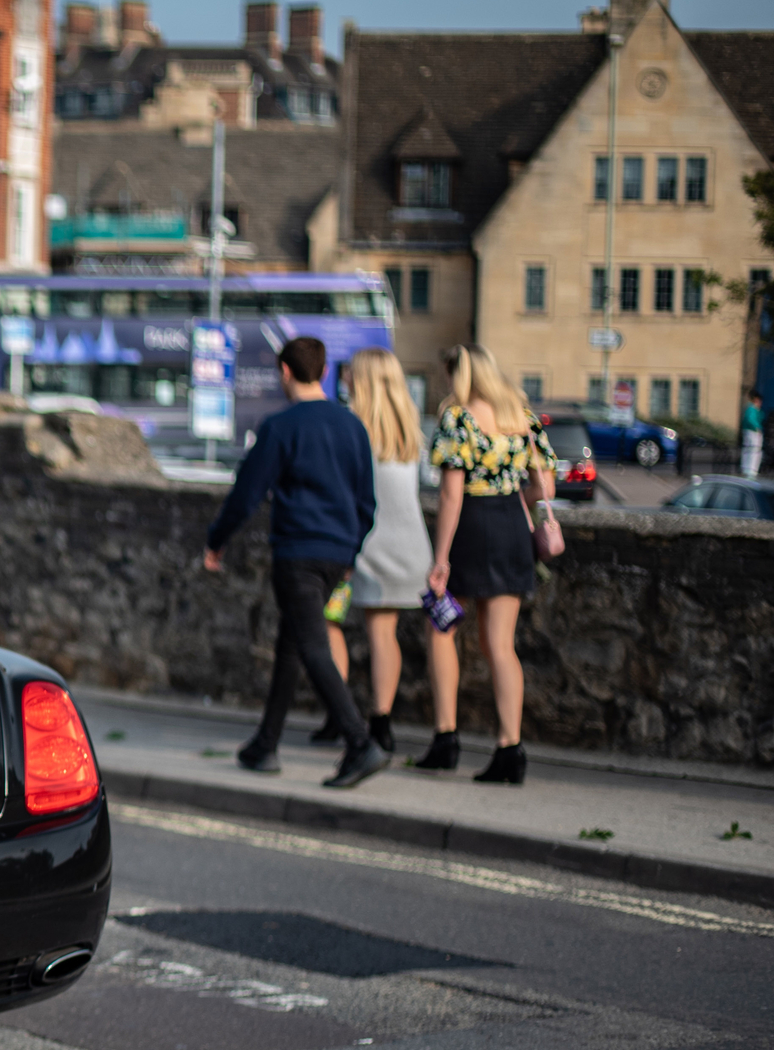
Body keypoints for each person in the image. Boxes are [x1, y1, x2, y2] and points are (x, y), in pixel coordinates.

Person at [203, 335, 388, 789]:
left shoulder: (281, 427)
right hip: (337, 553)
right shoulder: (353, 427)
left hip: (298, 551)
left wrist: (216, 541)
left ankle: (360, 742)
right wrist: (352, 550)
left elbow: (247, 492)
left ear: (285, 372)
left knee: (310, 646)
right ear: (323, 372)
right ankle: (265, 744)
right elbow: (367, 501)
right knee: (291, 643)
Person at [418, 346, 556, 784]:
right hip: (513, 527)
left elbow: (450, 495)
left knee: (441, 626)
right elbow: (544, 483)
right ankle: (510, 747)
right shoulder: (522, 417)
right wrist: (513, 497)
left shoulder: (459, 418)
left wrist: (440, 559)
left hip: (471, 529)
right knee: (501, 644)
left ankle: (446, 737)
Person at [313, 350, 432, 757]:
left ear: (360, 380)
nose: (344, 378)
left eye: (350, 373)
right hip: (410, 545)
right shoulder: (409, 429)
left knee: (328, 622)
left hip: (362, 545)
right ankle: (381, 721)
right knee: (384, 635)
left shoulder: (351, 427)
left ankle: (338, 712)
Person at [743, 386, 764, 479]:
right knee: (754, 450)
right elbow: (751, 419)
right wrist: (757, 427)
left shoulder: (750, 408)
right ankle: (751, 470)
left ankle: (747, 469)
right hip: (753, 432)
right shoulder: (752, 409)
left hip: (749, 431)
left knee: (749, 450)